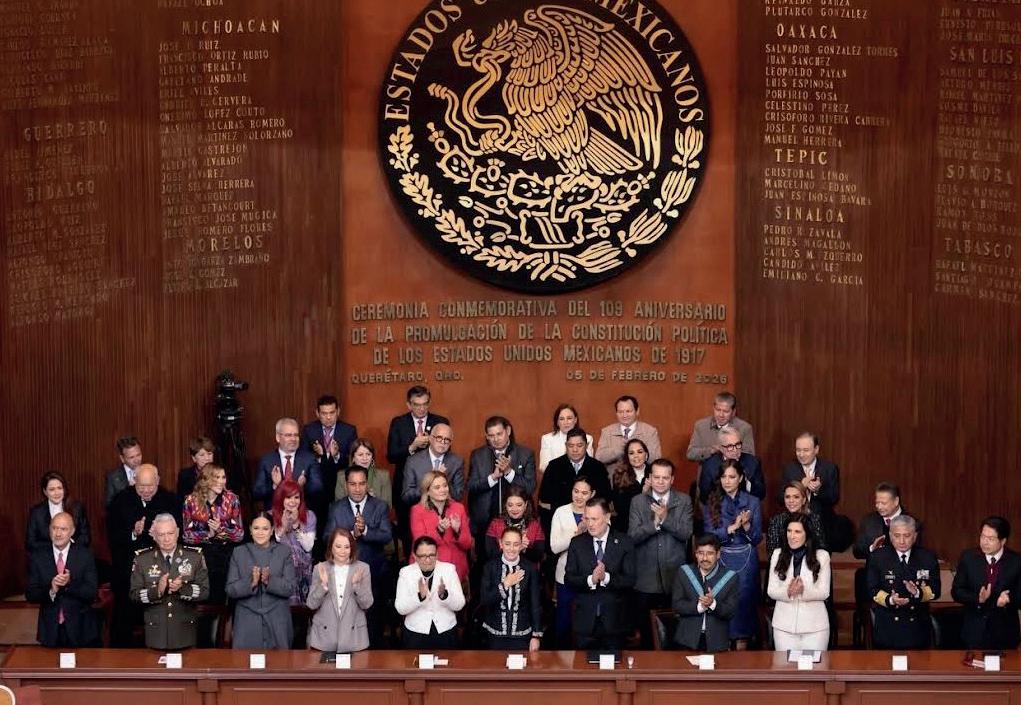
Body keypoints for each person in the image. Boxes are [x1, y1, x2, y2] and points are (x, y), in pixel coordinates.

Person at [107, 464, 178, 647]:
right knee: (124, 617)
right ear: (134, 482)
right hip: (129, 570)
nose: (146, 491)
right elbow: (113, 536)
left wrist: (162, 537)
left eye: (150, 486)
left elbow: (179, 534)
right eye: (141, 486)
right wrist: (133, 532)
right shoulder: (121, 500)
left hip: (161, 569)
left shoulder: (169, 500)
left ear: (158, 481)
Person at [323, 466, 393, 648]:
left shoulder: (380, 506)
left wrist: (366, 530)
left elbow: (387, 536)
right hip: (343, 576)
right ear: (346, 485)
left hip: (374, 575)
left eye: (361, 484)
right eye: (353, 484)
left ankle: (373, 661)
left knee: (373, 626)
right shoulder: (336, 508)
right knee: (346, 626)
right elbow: (327, 537)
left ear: (367, 484)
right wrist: (352, 535)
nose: (357, 488)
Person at [628, 459, 693, 648]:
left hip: (674, 578)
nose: (661, 482)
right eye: (656, 477)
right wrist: (654, 524)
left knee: (675, 636)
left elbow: (686, 533)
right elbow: (632, 537)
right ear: (649, 477)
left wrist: (665, 519)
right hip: (645, 580)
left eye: (665, 478)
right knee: (647, 637)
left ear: (672, 479)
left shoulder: (684, 500)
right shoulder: (638, 501)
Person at [702, 459, 762, 648]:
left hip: (746, 561)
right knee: (721, 608)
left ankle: (742, 655)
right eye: (723, 477)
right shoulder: (712, 501)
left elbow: (757, 538)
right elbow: (708, 536)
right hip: (721, 559)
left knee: (744, 612)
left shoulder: (752, 501)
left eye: (732, 477)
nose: (727, 481)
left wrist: (746, 525)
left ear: (741, 478)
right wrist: (731, 528)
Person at [130, 513, 209, 650]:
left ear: (177, 532)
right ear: (154, 536)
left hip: (185, 634)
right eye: (161, 535)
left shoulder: (194, 556)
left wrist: (183, 588)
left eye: (170, 533)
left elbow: (204, 592)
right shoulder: (142, 559)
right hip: (156, 635)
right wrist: (157, 591)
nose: (166, 539)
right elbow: (134, 595)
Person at [564, 497, 636, 649]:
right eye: (587, 519)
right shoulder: (577, 543)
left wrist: (606, 578)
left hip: (615, 622)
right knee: (583, 664)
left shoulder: (624, 542)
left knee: (614, 663)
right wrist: (591, 580)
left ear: (607, 517)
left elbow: (630, 580)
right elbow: (569, 579)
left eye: (594, 519)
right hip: (585, 623)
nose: (590, 524)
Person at [387, 385, 449, 553]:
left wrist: (434, 444)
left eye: (425, 404)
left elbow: (447, 450)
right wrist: (412, 446)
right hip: (407, 488)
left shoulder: (440, 422)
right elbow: (391, 455)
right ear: (409, 404)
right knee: (408, 536)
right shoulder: (399, 423)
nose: (422, 408)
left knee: (436, 534)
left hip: (436, 490)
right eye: (417, 404)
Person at [467, 415, 536, 563]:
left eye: (499, 434)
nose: (496, 439)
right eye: (491, 436)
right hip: (485, 523)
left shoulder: (525, 454)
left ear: (508, 431)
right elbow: (471, 487)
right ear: (486, 436)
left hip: (517, 522)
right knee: (485, 565)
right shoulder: (478, 455)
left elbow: (530, 488)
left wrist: (509, 472)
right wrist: (493, 477)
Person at [25, 512, 100, 647]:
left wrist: (69, 584)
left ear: (72, 531)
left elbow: (91, 592)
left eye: (63, 529)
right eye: (54, 528)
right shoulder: (38, 556)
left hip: (81, 629)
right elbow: (30, 594)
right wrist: (51, 590)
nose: (58, 533)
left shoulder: (85, 555)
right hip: (50, 630)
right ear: (49, 529)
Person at [868, 515, 940, 649]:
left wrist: (917, 592)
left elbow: (936, 590)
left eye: (907, 536)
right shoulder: (878, 557)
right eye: (897, 536)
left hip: (917, 629)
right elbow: (872, 589)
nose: (902, 541)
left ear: (915, 536)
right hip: (888, 629)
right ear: (890, 536)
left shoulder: (927, 557)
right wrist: (890, 600)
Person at [226, 513, 296, 649]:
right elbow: (230, 589)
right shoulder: (239, 552)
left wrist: (269, 581)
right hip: (247, 621)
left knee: (279, 661)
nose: (260, 532)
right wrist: (251, 583)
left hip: (277, 620)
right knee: (244, 661)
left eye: (265, 528)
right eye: (256, 528)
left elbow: (290, 588)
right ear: (250, 530)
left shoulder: (284, 552)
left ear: (272, 530)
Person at [952, 516, 1021, 650]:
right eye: (983, 537)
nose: (985, 542)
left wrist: (1008, 600)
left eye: (991, 539)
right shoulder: (969, 558)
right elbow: (957, 591)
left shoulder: (1016, 562)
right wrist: (977, 598)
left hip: (1005, 633)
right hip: (975, 632)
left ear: (1003, 541)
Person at [767, 514, 831, 651]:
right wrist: (788, 591)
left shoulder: (822, 556)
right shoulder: (777, 554)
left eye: (797, 532)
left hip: (815, 628)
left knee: (814, 664)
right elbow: (771, 590)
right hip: (783, 627)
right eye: (789, 531)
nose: (792, 536)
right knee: (785, 664)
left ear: (807, 534)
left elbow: (824, 592)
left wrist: (803, 591)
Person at [181, 464, 243, 604]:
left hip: (226, 556)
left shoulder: (232, 499)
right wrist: (208, 535)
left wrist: (221, 530)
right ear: (206, 479)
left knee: (224, 601)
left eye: (223, 477)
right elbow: (186, 535)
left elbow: (239, 534)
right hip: (201, 558)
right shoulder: (190, 501)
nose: (221, 481)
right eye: (216, 477)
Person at [779, 432, 852, 552]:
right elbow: (780, 497)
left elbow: (834, 498)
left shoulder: (829, 468)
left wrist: (818, 491)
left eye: (806, 450)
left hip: (822, 520)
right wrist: (800, 487)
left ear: (816, 449)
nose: (801, 454)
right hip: (795, 520)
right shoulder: (789, 469)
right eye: (798, 450)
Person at [307, 528, 374, 652]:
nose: (342, 551)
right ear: (331, 547)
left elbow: (367, 604)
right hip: (324, 639)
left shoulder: (363, 568)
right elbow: (311, 604)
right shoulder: (320, 568)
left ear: (352, 548)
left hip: (354, 639)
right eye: (338, 546)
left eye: (347, 547)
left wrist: (356, 585)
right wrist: (323, 586)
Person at [395, 536, 465, 649]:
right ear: (414, 556)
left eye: (432, 555)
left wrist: (445, 595)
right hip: (416, 633)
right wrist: (419, 597)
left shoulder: (449, 570)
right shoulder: (406, 573)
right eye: (423, 556)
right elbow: (400, 608)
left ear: (437, 554)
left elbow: (460, 604)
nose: (428, 560)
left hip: (445, 631)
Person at [672, 534, 739, 652]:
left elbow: (730, 612)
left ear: (718, 554)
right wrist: (699, 607)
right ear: (696, 554)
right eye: (701, 553)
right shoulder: (684, 572)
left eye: (710, 553)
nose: (704, 558)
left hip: (717, 643)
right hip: (686, 641)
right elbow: (677, 605)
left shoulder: (731, 577)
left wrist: (713, 604)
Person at [480, 526, 543, 651]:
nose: (511, 548)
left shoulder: (530, 568)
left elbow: (535, 603)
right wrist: (505, 585)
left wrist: (536, 635)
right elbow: (485, 600)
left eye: (516, 544)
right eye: (507, 544)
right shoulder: (490, 567)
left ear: (521, 545)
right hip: (495, 633)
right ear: (501, 544)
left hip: (522, 633)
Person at [549, 475, 594, 648]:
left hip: (591, 575)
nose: (579, 496)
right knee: (564, 622)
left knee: (587, 622)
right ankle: (561, 659)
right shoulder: (561, 512)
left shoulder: (597, 511)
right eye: (576, 491)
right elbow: (555, 547)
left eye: (584, 493)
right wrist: (577, 534)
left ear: (592, 494)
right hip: (565, 575)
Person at [539, 427, 610, 535]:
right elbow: (544, 502)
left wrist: (586, 518)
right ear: (566, 445)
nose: (575, 450)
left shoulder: (597, 467)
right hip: (560, 524)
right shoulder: (554, 466)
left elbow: (604, 499)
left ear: (586, 445)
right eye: (571, 446)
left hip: (591, 524)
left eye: (579, 445)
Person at [302, 394, 358, 523]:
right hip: (317, 486)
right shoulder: (309, 430)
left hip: (339, 483)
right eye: (324, 413)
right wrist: (318, 456)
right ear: (317, 413)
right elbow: (304, 458)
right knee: (319, 522)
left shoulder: (349, 430)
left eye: (332, 413)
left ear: (338, 411)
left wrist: (337, 455)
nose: (328, 417)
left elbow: (353, 459)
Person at [409, 471, 472, 582]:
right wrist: (439, 530)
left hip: (456, 569)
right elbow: (420, 544)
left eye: (445, 485)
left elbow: (467, 544)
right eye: (437, 487)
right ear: (428, 491)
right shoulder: (417, 511)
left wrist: (457, 531)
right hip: (428, 568)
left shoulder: (458, 508)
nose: (443, 490)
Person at [253, 417, 322, 506]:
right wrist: (275, 486)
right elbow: (257, 493)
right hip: (274, 510)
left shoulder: (309, 459)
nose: (293, 439)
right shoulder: (267, 460)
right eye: (288, 435)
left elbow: (318, 488)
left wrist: (300, 487)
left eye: (296, 435)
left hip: (301, 510)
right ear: (278, 437)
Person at [271, 479, 317, 607]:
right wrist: (283, 526)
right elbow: (272, 543)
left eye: (296, 497)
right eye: (288, 497)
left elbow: (308, 546)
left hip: (303, 574)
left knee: (302, 612)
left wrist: (297, 525)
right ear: (281, 498)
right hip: (280, 572)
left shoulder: (309, 516)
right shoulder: (271, 515)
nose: (293, 501)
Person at [594, 395, 662, 476]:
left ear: (637, 411)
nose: (624, 415)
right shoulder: (607, 431)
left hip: (642, 480)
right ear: (616, 413)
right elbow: (599, 458)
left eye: (628, 411)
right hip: (612, 480)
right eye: (620, 412)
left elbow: (656, 459)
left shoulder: (649, 431)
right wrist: (620, 449)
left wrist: (637, 450)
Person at [26, 471, 91, 553]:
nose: (56, 493)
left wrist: (68, 547)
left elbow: (85, 538)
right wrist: (56, 547)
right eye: (52, 489)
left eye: (59, 488)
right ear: (45, 492)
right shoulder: (36, 512)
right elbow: (30, 543)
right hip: (46, 556)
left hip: (74, 555)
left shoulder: (77, 508)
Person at [485, 485, 546, 570]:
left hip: (528, 573)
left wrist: (524, 549)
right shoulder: (495, 524)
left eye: (519, 505)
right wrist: (513, 547)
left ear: (525, 505)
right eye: (510, 505)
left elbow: (539, 556)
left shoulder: (535, 525)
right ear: (505, 505)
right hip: (500, 571)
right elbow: (490, 554)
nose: (514, 509)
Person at [697, 427, 765, 503]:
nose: (735, 450)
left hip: (747, 507)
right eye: (730, 446)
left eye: (738, 444)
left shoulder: (752, 462)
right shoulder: (709, 465)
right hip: (718, 507)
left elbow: (761, 493)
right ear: (721, 448)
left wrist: (747, 485)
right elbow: (704, 497)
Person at [403, 423, 464, 504]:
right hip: (421, 508)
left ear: (450, 443)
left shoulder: (457, 462)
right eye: (439, 438)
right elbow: (407, 496)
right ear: (431, 438)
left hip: (446, 509)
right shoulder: (413, 461)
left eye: (447, 439)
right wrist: (429, 484)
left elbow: (458, 496)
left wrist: (444, 479)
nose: (442, 442)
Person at [686, 391, 756, 462]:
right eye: (718, 410)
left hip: (734, 468)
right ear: (713, 408)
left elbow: (749, 457)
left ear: (733, 412)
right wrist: (711, 450)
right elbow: (690, 454)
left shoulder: (744, 428)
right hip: (708, 468)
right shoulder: (701, 426)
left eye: (726, 411)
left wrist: (732, 451)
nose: (721, 415)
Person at [766, 481, 826, 554]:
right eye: (787, 497)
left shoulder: (814, 519)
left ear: (804, 500)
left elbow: (820, 548)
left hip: (809, 559)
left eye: (796, 497)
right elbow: (772, 551)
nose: (791, 501)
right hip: (783, 560)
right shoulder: (776, 521)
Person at [335, 438, 394, 509]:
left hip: (375, 515)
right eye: (360, 455)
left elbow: (387, 507)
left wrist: (373, 500)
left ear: (372, 457)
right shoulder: (341, 476)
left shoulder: (383, 476)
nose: (365, 458)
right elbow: (338, 507)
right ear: (353, 458)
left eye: (368, 454)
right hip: (348, 515)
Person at [609, 437, 651, 535]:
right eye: (631, 453)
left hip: (651, 523)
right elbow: (620, 508)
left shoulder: (655, 473)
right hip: (627, 525)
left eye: (640, 452)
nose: (636, 456)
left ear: (646, 455)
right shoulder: (619, 475)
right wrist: (643, 495)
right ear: (627, 457)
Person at [538, 403, 593, 472]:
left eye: (569, 418)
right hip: (555, 477)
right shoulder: (547, 439)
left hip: (580, 477)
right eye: (561, 419)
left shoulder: (588, 438)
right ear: (557, 422)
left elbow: (588, 465)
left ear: (575, 420)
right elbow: (543, 466)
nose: (566, 422)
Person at [175, 436, 215, 508]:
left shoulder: (221, 473)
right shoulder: (185, 475)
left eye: (209, 454)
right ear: (194, 458)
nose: (207, 458)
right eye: (202, 455)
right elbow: (181, 502)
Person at [104, 436, 143, 507]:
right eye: (131, 457)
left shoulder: (150, 471)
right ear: (122, 458)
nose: (136, 460)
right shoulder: (113, 477)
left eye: (138, 455)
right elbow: (109, 504)